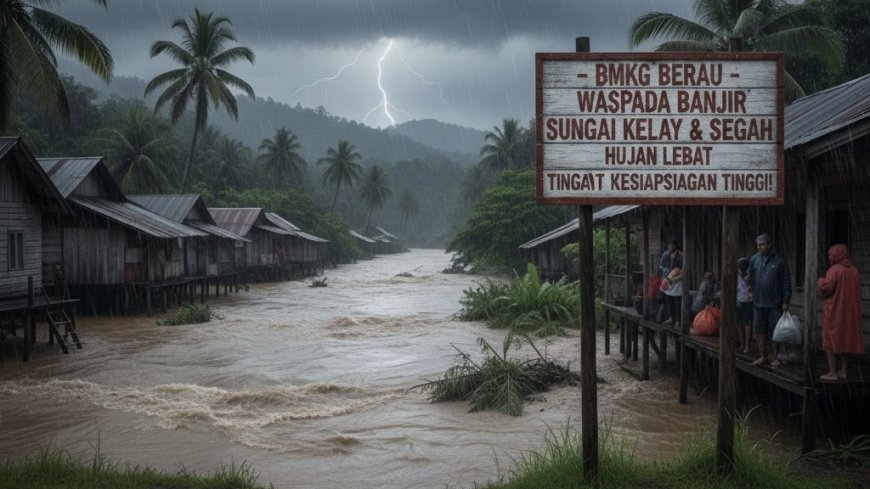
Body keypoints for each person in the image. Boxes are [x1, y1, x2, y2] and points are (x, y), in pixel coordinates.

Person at [816, 244, 864, 380]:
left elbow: (826, 288)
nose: (829, 257)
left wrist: (820, 281)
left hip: (835, 310)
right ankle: (843, 371)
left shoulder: (834, 270)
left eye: (831, 255)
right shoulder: (854, 270)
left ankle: (832, 372)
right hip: (849, 312)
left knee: (829, 339)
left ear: (837, 255)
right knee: (845, 340)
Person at [747, 233, 791, 367]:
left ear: (769, 244)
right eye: (758, 245)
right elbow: (750, 276)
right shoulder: (754, 259)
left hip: (774, 302)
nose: (760, 247)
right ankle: (762, 356)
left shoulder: (779, 260)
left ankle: (775, 356)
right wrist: (748, 280)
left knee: (775, 331)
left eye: (762, 244)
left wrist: (786, 301)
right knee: (760, 330)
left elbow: (786, 281)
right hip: (758, 302)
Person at [659, 238, 683, 327]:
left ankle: (677, 320)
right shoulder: (665, 254)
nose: (670, 246)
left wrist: (675, 274)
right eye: (669, 244)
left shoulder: (681, 256)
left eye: (672, 244)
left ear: (676, 245)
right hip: (667, 279)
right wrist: (668, 273)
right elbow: (661, 266)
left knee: (677, 301)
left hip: (677, 280)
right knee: (668, 299)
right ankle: (671, 318)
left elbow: (683, 270)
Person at [737, 257, 753, 354]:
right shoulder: (736, 275)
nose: (741, 271)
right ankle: (742, 345)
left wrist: (749, 280)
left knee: (747, 324)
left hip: (748, 302)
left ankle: (747, 346)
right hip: (738, 301)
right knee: (739, 323)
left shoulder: (751, 275)